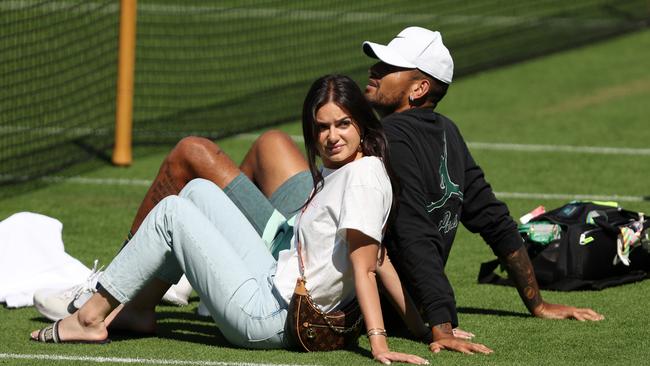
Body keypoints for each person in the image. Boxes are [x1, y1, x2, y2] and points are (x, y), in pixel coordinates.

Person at [31, 74, 433, 365]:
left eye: (343, 124)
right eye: (322, 127)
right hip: (275, 283)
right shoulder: (352, 167)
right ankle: (137, 309)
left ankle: (89, 317)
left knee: (171, 213)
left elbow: (366, 266)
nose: (331, 136)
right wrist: (421, 327)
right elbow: (380, 257)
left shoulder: (362, 177)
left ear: (362, 123)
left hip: (272, 319)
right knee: (195, 193)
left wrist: (379, 344)